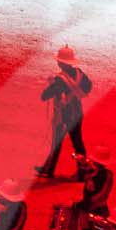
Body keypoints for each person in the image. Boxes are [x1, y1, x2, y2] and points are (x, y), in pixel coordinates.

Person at [36, 45, 92, 179]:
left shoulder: (60, 80)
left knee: (56, 143)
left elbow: (44, 96)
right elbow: (87, 87)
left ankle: (49, 170)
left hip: (64, 114)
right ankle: (82, 171)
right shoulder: (80, 73)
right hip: (77, 111)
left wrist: (52, 85)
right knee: (78, 143)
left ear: (62, 63)